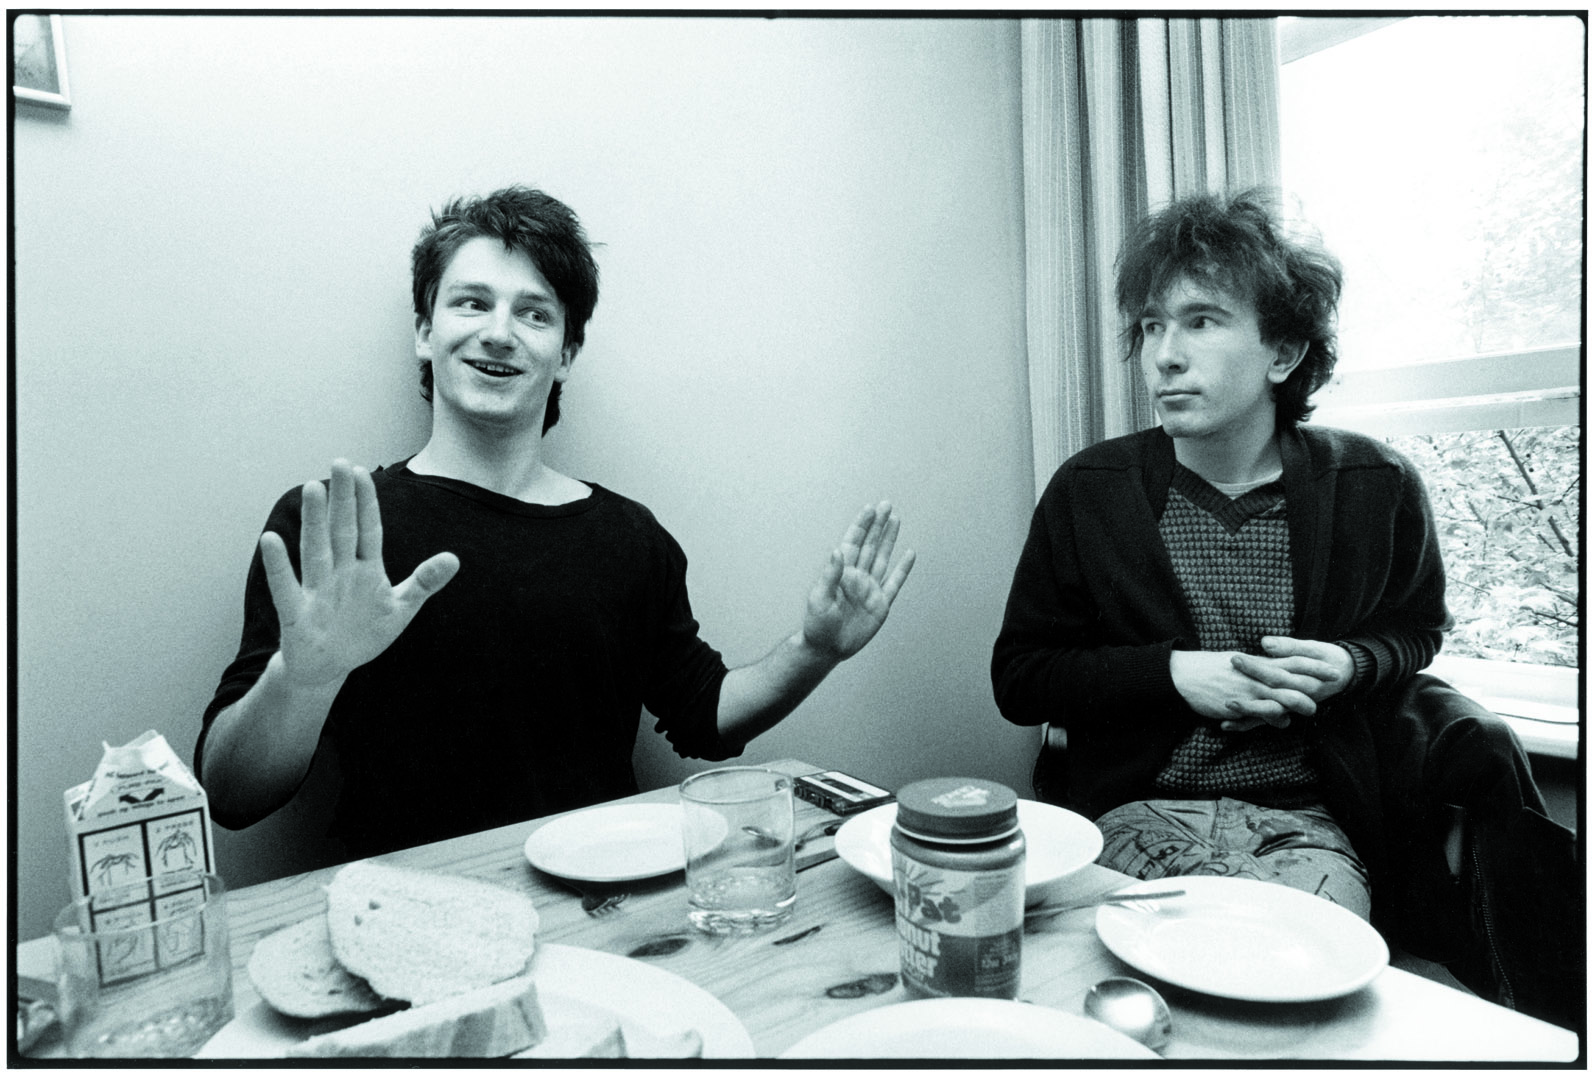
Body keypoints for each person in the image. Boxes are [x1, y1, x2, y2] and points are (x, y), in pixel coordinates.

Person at [990, 191, 1577, 1028]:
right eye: (1153, 326)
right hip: (1141, 811)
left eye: (1201, 322)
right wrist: (1170, 675)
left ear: (1284, 351)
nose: (1164, 355)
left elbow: (1418, 629)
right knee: (1151, 1004)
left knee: (1286, 1002)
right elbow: (1019, 678)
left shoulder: (1374, 485)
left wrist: (1351, 663)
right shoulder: (1093, 491)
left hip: (1310, 824)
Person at [198, 185, 915, 860]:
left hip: (604, 910)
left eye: (534, 313)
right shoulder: (339, 528)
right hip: (400, 922)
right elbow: (230, 794)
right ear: (425, 331)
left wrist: (816, 648)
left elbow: (703, 716)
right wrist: (304, 678)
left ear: (567, 352)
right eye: (471, 303)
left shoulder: (631, 539)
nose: (499, 334)